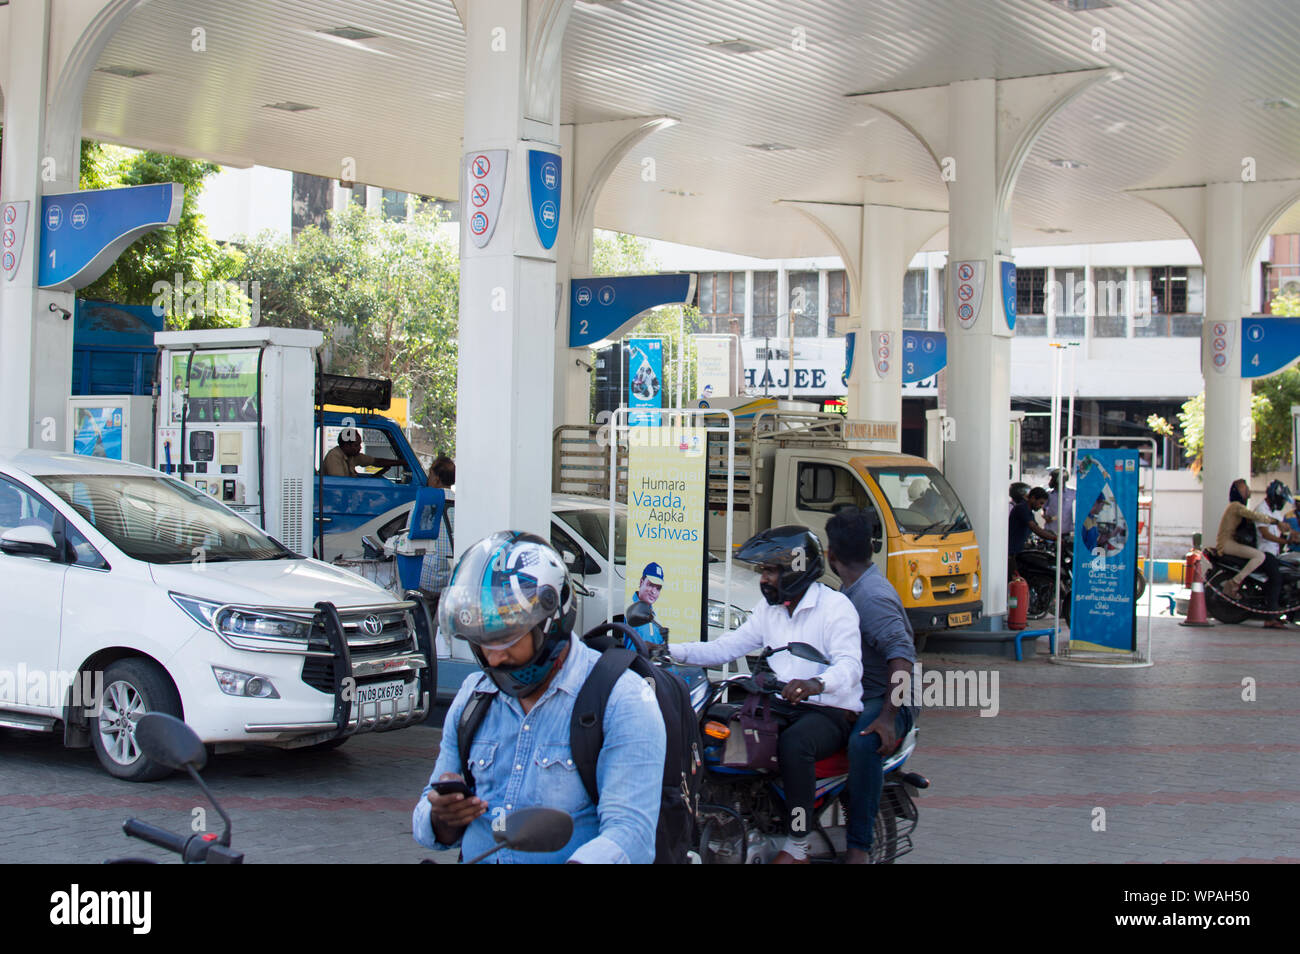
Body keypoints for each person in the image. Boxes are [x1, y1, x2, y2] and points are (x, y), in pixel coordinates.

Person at [412, 531, 665, 863]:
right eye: (482, 643)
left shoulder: (623, 701)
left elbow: (630, 834)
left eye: (505, 640)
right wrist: (442, 817)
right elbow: (425, 819)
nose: (494, 659)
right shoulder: (474, 697)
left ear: (550, 625)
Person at [668, 526, 863, 864]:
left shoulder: (836, 608)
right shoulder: (769, 610)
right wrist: (670, 651)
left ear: (796, 569)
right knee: (716, 730)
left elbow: (850, 666)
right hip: (782, 704)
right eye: (763, 572)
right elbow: (726, 647)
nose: (765, 580)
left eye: (771, 571)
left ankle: (797, 844)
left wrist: (817, 684)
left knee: (795, 745)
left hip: (828, 710)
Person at [825, 507, 916, 865]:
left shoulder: (871, 597)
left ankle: (859, 849)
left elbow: (902, 658)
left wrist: (888, 718)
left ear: (832, 554)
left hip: (891, 699)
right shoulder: (849, 590)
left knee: (864, 744)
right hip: (862, 692)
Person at [1217, 478, 1289, 628]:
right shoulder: (1236, 506)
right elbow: (1256, 517)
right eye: (1245, 489)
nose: (1248, 492)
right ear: (1237, 491)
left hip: (1233, 542)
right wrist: (1275, 522)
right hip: (1227, 543)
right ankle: (1234, 583)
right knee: (1260, 557)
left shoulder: (1240, 508)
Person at [418, 455, 456, 599]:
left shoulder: (425, 503)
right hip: (452, 579)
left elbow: (411, 537)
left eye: (430, 474)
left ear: (437, 479)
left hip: (429, 580)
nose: (428, 479)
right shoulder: (463, 505)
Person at [1008, 486, 1055, 580]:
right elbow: (1034, 528)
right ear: (1033, 498)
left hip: (1017, 551)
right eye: (1040, 503)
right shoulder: (1022, 508)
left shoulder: (1029, 512)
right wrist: (1054, 538)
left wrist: (1051, 534)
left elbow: (1038, 528)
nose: (1041, 506)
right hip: (1011, 553)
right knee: (1016, 581)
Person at [320, 428, 401, 477]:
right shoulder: (334, 456)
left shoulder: (352, 456)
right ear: (347, 445)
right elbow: (339, 483)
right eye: (356, 445)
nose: (360, 447)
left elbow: (376, 461)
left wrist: (401, 462)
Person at [1253, 479, 1297, 559]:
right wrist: (1286, 542)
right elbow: (1266, 535)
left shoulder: (1274, 511)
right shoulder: (1261, 510)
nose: (1283, 502)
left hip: (1275, 552)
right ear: (1275, 496)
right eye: (1282, 499)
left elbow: (1284, 528)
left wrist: (1294, 534)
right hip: (1265, 553)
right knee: (1275, 572)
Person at [627, 562, 667, 646]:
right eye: (651, 585)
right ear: (641, 582)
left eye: (658, 588)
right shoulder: (627, 609)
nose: (654, 591)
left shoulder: (654, 616)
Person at [1044, 469, 1075, 534]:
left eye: (1052, 479)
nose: (1050, 481)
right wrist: (1045, 516)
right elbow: (1043, 508)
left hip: (1066, 531)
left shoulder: (1072, 492)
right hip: (1050, 530)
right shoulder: (1049, 493)